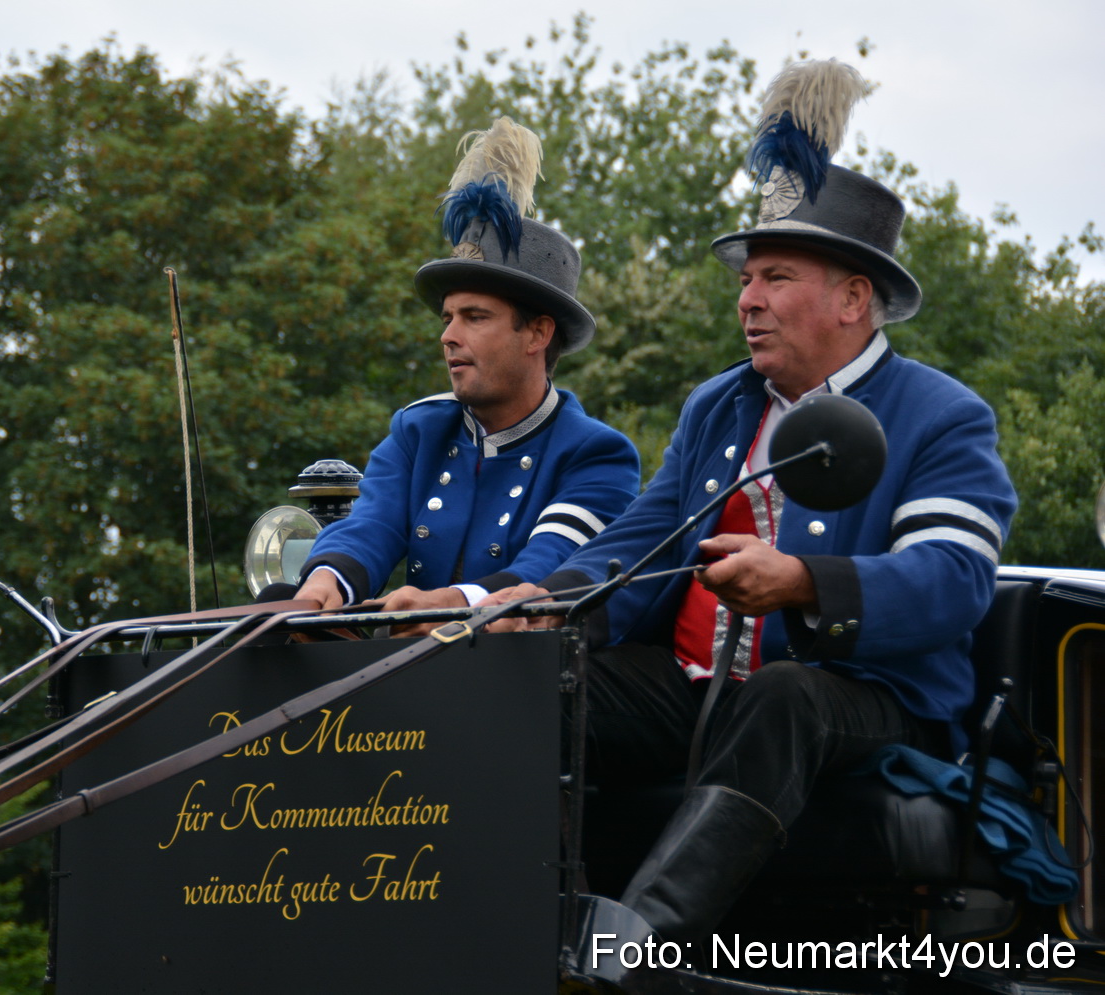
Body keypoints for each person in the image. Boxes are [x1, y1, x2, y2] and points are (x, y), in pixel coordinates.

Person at [481, 59, 1018, 954]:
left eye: (774, 275)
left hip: (869, 696)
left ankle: (637, 947)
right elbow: (646, 537)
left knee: (782, 696)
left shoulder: (942, 415)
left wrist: (807, 582)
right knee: (541, 675)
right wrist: (540, 605)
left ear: (854, 299)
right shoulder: (717, 405)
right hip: (700, 686)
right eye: (745, 280)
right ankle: (515, 927)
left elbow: (953, 580)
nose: (747, 300)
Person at [282, 117, 640, 621]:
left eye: (475, 318)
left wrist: (447, 605)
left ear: (538, 333)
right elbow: (372, 526)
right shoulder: (418, 430)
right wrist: (326, 581)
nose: (448, 336)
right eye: (448, 317)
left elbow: (546, 569)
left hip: (520, 687)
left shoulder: (596, 454)